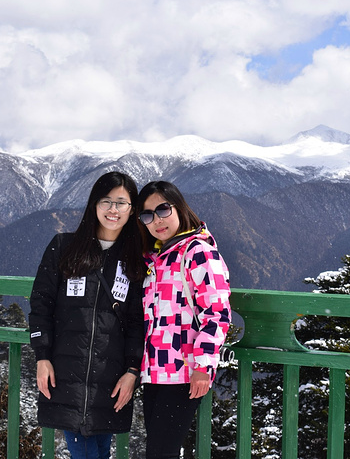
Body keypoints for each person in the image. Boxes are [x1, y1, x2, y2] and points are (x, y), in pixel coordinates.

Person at [28, 171, 146, 459]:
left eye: (122, 203)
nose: (113, 209)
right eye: (106, 201)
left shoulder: (135, 260)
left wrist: (133, 371)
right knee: (83, 452)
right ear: (94, 204)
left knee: (101, 451)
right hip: (65, 373)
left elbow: (138, 322)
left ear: (132, 210)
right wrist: (42, 356)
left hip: (111, 377)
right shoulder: (63, 247)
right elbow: (41, 304)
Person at [136, 181, 231, 459]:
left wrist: (204, 365)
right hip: (154, 372)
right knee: (157, 451)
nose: (157, 220)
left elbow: (217, 312)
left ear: (179, 207)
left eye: (163, 210)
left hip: (184, 372)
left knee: (161, 453)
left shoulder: (198, 252)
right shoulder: (156, 258)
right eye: (148, 215)